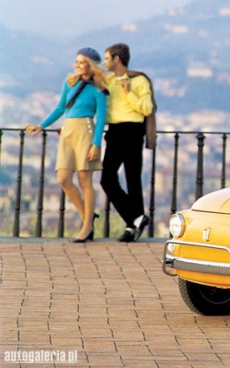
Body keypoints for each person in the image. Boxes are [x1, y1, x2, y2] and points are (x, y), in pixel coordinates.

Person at [25, 47, 107, 243]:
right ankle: (86, 216)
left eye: (81, 62)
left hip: (85, 131)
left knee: (85, 180)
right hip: (68, 131)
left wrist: (96, 145)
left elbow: (101, 119)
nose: (77, 65)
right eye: (76, 62)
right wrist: (42, 125)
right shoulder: (69, 82)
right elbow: (61, 107)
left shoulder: (99, 89)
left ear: (91, 65)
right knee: (63, 178)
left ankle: (87, 226)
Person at [101, 43, 154, 242]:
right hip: (114, 132)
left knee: (133, 179)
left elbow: (147, 108)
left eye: (107, 58)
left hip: (132, 131)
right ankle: (136, 217)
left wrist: (128, 92)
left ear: (117, 59)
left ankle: (133, 226)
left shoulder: (139, 80)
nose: (105, 62)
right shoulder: (107, 81)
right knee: (107, 178)